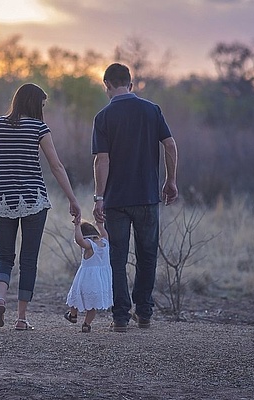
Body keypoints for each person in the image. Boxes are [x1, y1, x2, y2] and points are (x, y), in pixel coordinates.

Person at [0, 83, 81, 331]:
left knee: (4, 255)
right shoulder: (39, 128)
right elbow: (56, 167)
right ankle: (21, 318)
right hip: (33, 199)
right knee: (28, 260)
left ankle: (0, 298)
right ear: (35, 104)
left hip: (1, 199)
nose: (43, 110)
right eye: (42, 105)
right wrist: (72, 199)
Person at [91, 63, 179, 332]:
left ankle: (120, 317)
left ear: (106, 84)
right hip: (147, 197)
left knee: (117, 258)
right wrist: (170, 180)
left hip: (117, 200)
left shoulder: (103, 117)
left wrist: (99, 197)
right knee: (147, 255)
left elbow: (101, 160)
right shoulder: (152, 110)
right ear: (131, 84)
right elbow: (170, 145)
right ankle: (144, 313)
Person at [64, 220, 113, 333]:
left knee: (75, 296)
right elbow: (105, 234)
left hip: (86, 279)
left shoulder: (90, 246)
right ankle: (86, 324)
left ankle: (73, 315)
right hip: (100, 282)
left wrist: (77, 226)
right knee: (92, 305)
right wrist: (100, 224)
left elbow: (79, 240)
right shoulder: (105, 242)